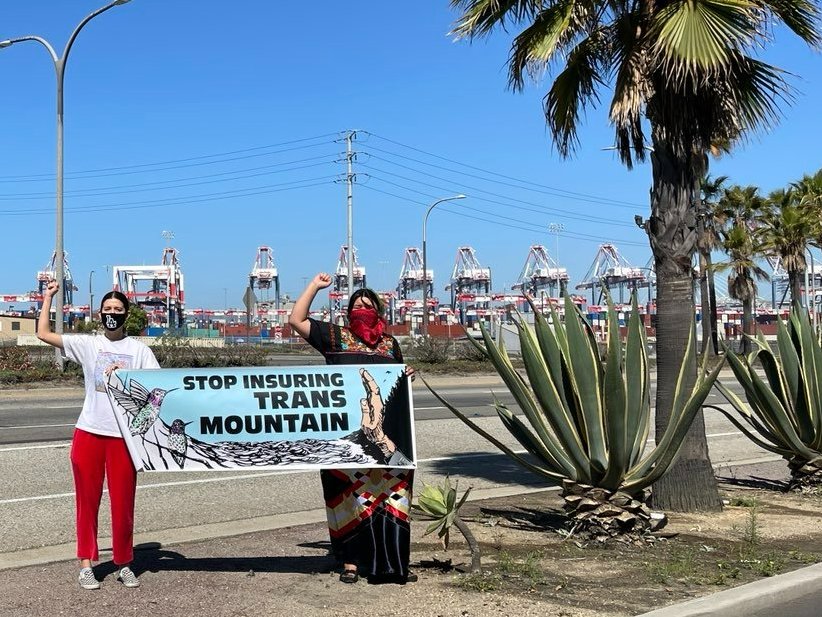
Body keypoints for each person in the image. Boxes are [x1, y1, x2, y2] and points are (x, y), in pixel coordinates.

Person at [289, 272, 417, 585]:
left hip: (386, 438)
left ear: (379, 312)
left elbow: (394, 382)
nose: (362, 309)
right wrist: (315, 287)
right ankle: (350, 562)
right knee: (350, 498)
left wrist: (406, 375)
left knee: (390, 498)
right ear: (348, 314)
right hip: (344, 438)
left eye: (368, 305)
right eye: (356, 306)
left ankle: (393, 564)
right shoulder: (335, 337)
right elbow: (296, 320)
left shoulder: (390, 344)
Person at [37, 280, 159, 590]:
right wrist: (48, 298)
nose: (112, 314)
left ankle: (124, 562)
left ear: (126, 314)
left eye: (118, 310)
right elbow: (43, 334)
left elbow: (157, 390)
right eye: (107, 310)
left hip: (124, 441)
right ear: (99, 313)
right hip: (89, 433)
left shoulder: (139, 351)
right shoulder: (89, 344)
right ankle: (86, 564)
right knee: (87, 502)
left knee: (123, 504)